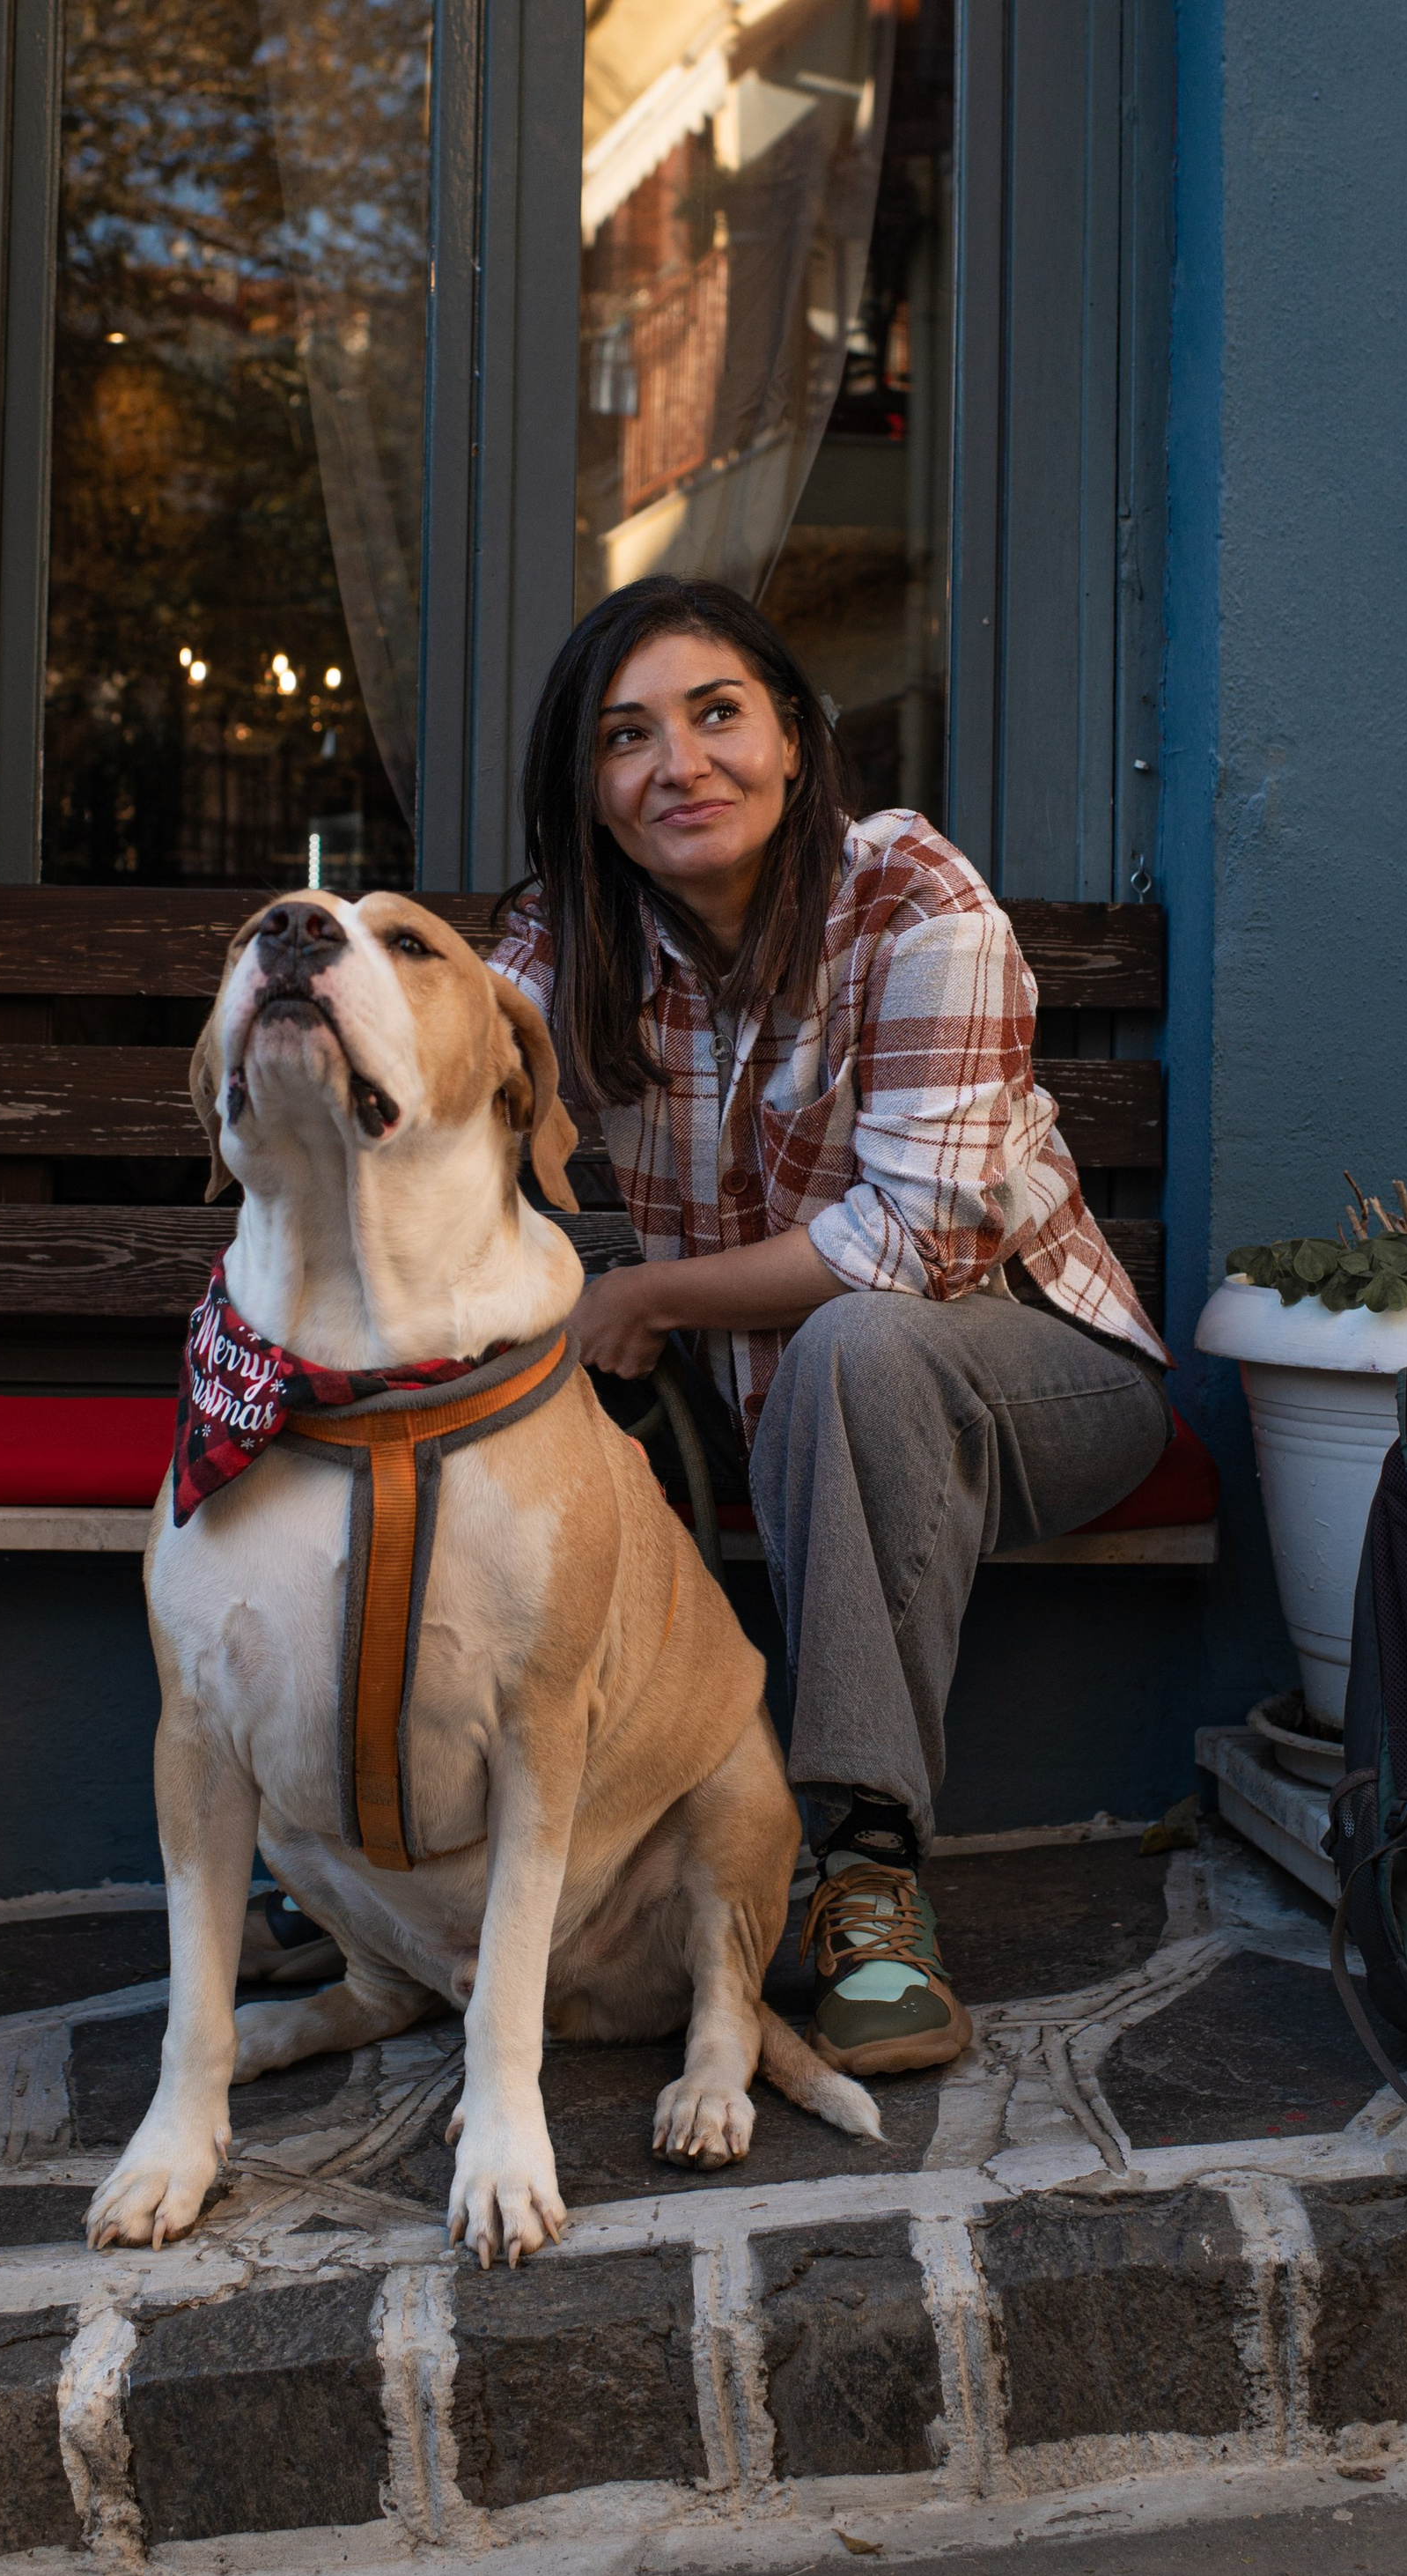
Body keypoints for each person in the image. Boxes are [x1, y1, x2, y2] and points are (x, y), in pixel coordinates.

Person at [490, 578, 1171, 2078]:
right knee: (470, 1370)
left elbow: (915, 1242)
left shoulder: (913, 899)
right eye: (627, 737)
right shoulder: (567, 939)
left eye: (717, 712)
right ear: (589, 795)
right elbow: (434, 1090)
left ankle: (864, 1877)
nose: (681, 763)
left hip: (1035, 1371)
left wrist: (651, 1293)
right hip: (768, 1400)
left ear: (793, 738)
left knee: (856, 1345)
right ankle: (387, 1836)